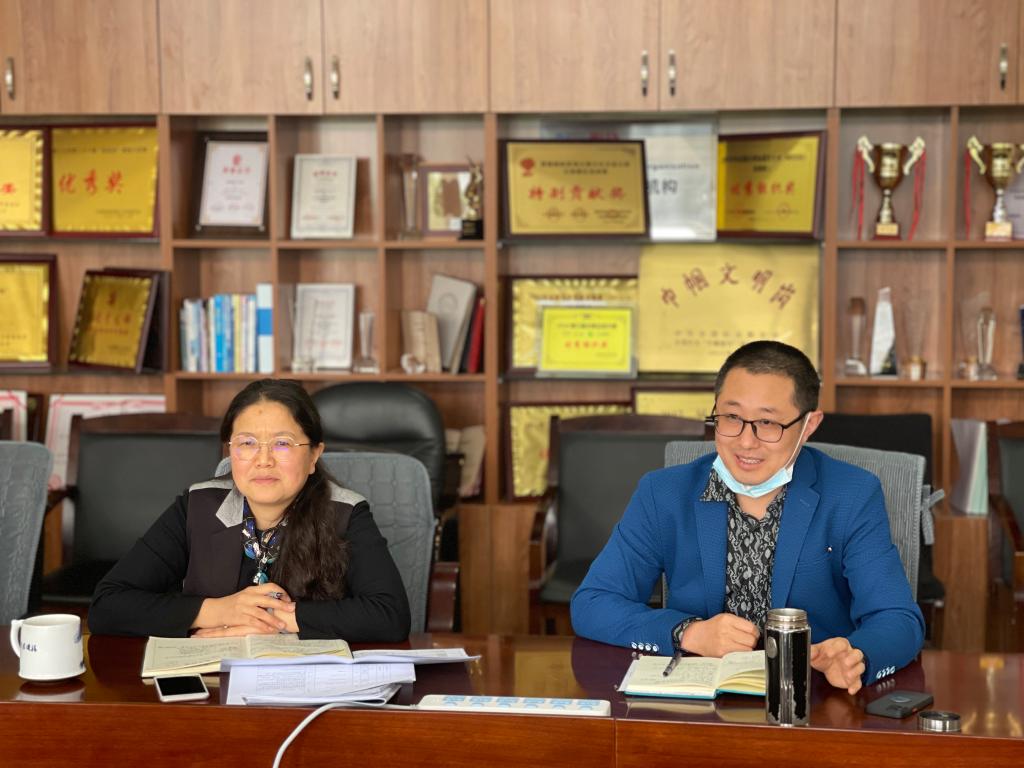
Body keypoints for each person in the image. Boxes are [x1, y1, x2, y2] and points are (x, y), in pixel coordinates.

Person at [571, 341, 924, 694]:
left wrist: (856, 656)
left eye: (767, 422)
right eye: (732, 418)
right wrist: (689, 632)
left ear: (809, 424)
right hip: (698, 700)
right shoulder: (664, 493)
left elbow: (898, 619)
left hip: (807, 699)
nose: (745, 442)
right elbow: (592, 603)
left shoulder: (852, 494)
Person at [89, 378, 411, 642]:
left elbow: (389, 616)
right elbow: (108, 605)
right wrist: (221, 611)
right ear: (230, 451)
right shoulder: (196, 506)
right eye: (247, 443)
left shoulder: (346, 513)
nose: (263, 460)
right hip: (216, 686)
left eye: (282, 443)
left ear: (314, 455)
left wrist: (273, 620)